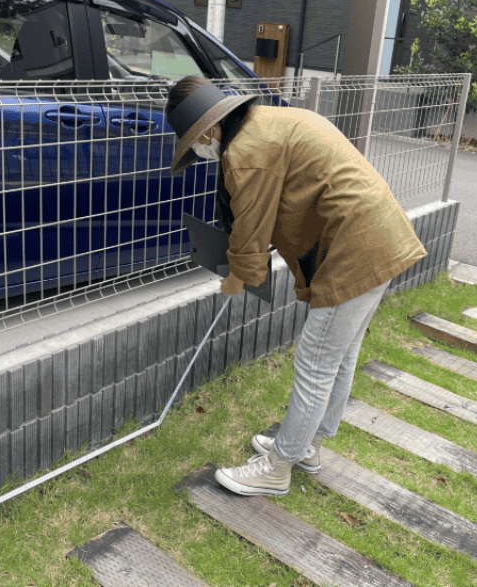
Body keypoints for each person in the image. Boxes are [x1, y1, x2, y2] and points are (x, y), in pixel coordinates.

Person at [164, 75, 427, 496]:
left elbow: (250, 231)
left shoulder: (246, 152)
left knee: (316, 360)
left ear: (208, 131)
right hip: (378, 235)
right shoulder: (267, 122)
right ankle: (307, 446)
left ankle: (277, 467)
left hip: (354, 246)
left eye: (196, 144)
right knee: (339, 356)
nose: (200, 153)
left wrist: (236, 277)